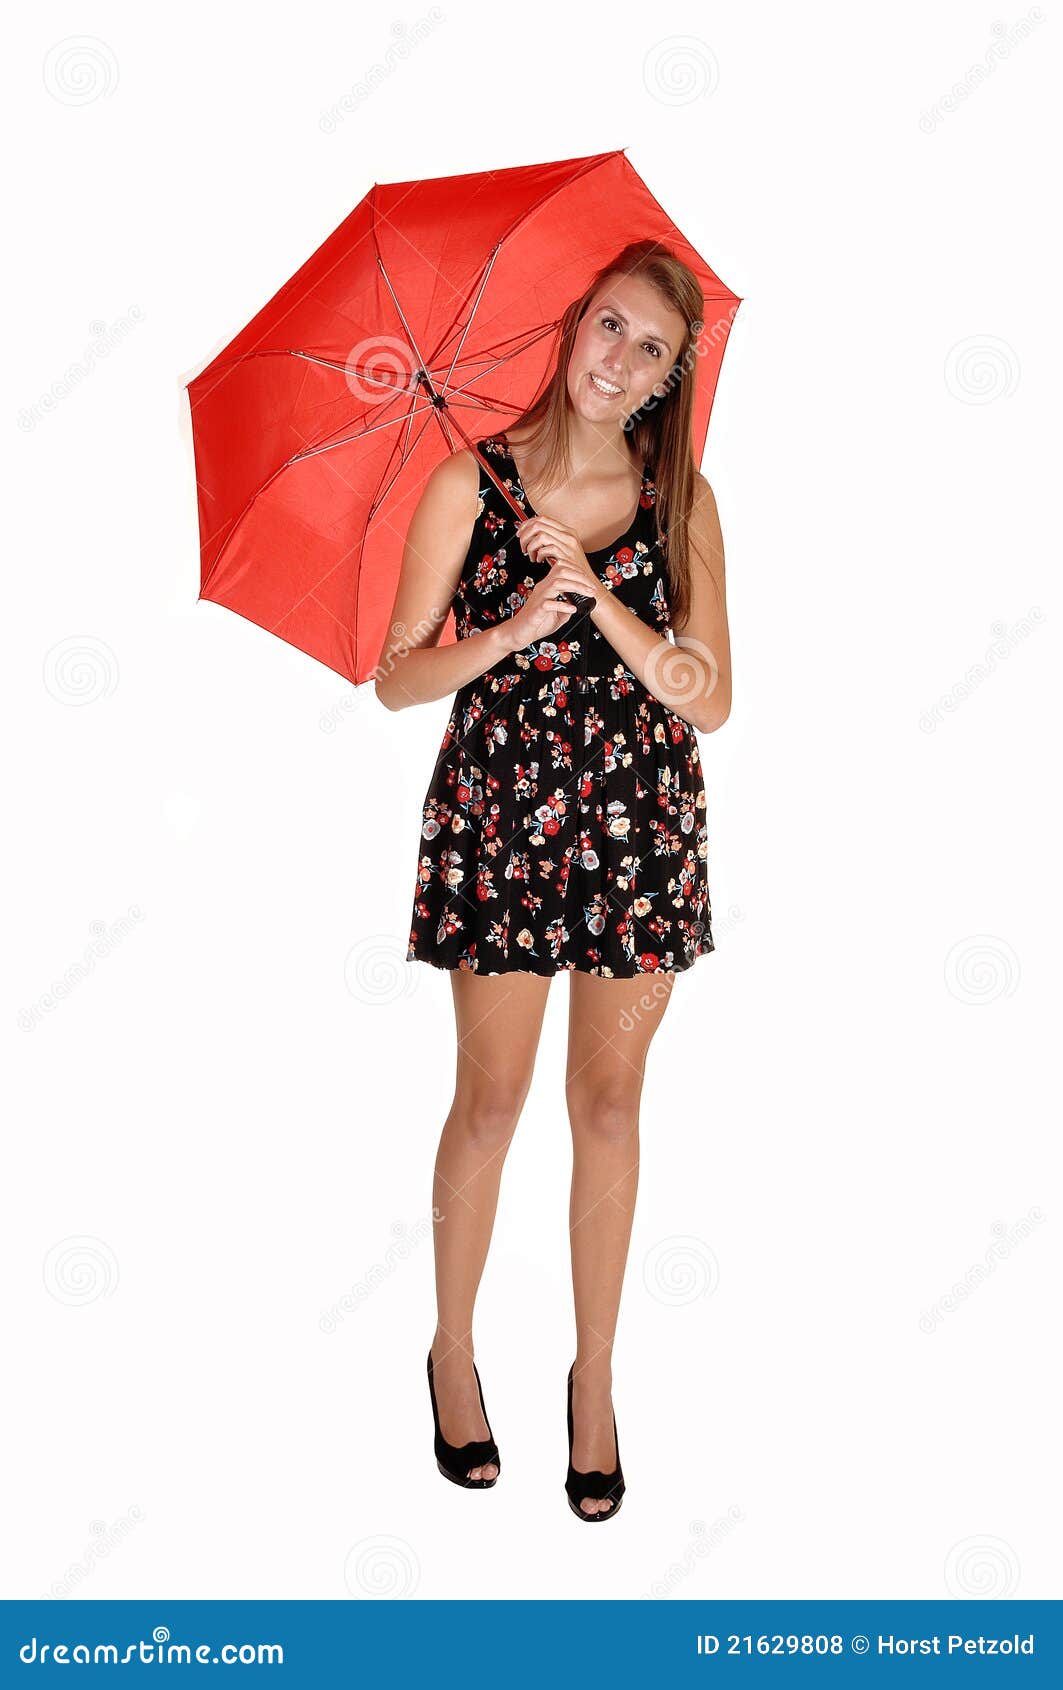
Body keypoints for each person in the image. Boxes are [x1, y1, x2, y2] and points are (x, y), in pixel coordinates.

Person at [375, 240, 731, 1520]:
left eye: (651, 351)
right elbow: (396, 675)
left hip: (637, 825)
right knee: (491, 1097)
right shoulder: (466, 487)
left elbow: (716, 696)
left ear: (664, 379)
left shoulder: (680, 499)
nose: (620, 360)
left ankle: (594, 1378)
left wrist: (607, 605)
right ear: (574, 323)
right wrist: (513, 627)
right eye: (612, 328)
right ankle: (453, 1353)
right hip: (503, 820)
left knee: (611, 1100)